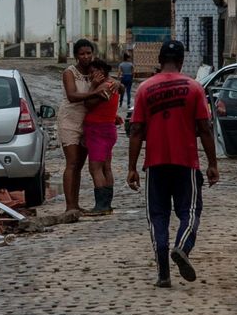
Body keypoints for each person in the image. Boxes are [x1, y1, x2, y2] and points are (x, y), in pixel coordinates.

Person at [127, 40, 219, 288]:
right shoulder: (194, 88)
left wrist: (132, 167)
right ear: (181, 61)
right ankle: (182, 247)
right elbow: (205, 128)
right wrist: (212, 163)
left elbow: (136, 130)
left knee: (157, 217)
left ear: (159, 61)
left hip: (155, 164)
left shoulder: (145, 89)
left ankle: (163, 273)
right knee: (189, 212)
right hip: (186, 162)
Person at [58, 39, 115, 214]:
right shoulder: (70, 72)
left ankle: (77, 204)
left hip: (90, 122)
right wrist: (94, 89)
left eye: (88, 53)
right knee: (72, 163)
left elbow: (110, 84)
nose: (86, 57)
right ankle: (70, 206)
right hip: (70, 120)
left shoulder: (95, 71)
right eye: (82, 54)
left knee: (81, 165)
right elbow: (72, 96)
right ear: (76, 56)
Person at [83, 59, 122, 215]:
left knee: (95, 168)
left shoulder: (104, 87)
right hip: (107, 128)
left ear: (102, 71)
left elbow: (88, 104)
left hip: (98, 130)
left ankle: (101, 205)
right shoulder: (113, 84)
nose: (92, 74)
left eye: (94, 71)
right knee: (106, 166)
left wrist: (92, 86)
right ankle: (106, 204)